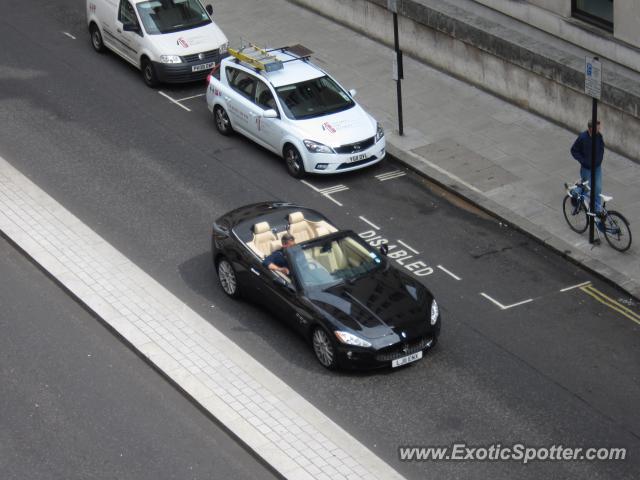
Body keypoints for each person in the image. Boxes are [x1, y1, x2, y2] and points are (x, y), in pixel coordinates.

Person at [569, 120, 605, 215]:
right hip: (586, 168)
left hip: (597, 167)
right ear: (590, 128)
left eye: (599, 127)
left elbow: (601, 147)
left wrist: (599, 159)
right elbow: (574, 150)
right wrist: (584, 161)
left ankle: (596, 209)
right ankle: (573, 192)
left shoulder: (599, 136)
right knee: (585, 188)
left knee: (597, 188)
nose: (599, 129)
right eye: (597, 128)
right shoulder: (582, 138)